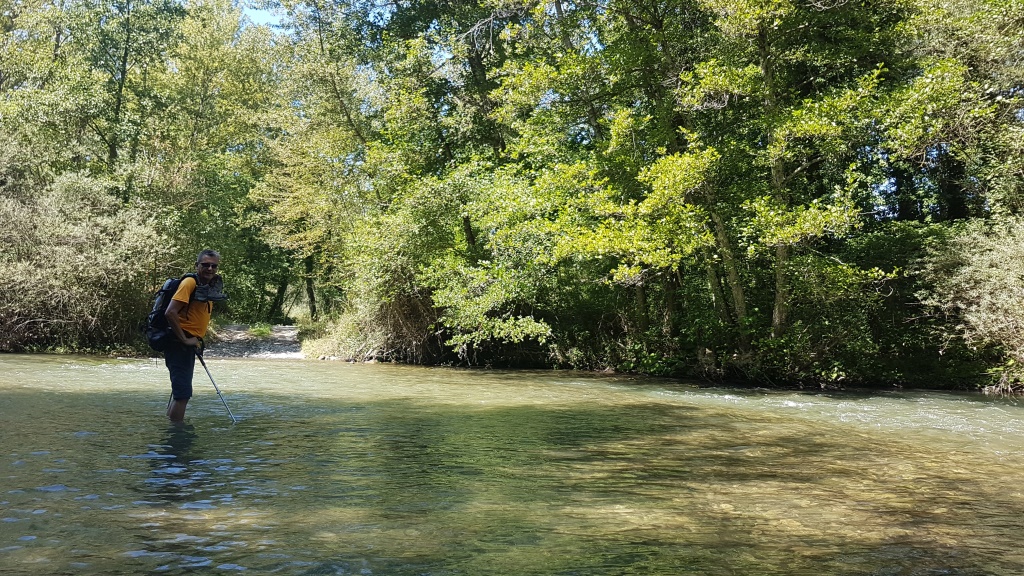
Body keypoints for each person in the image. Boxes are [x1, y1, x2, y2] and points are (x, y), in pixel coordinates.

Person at [164, 249, 224, 422]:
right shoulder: (190, 283)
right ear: (197, 265)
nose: (210, 269)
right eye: (205, 265)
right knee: (183, 394)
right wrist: (184, 339)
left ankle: (172, 430)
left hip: (188, 344)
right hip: (178, 343)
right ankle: (177, 441)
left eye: (214, 266)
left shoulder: (207, 286)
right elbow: (170, 313)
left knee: (180, 393)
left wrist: (193, 341)